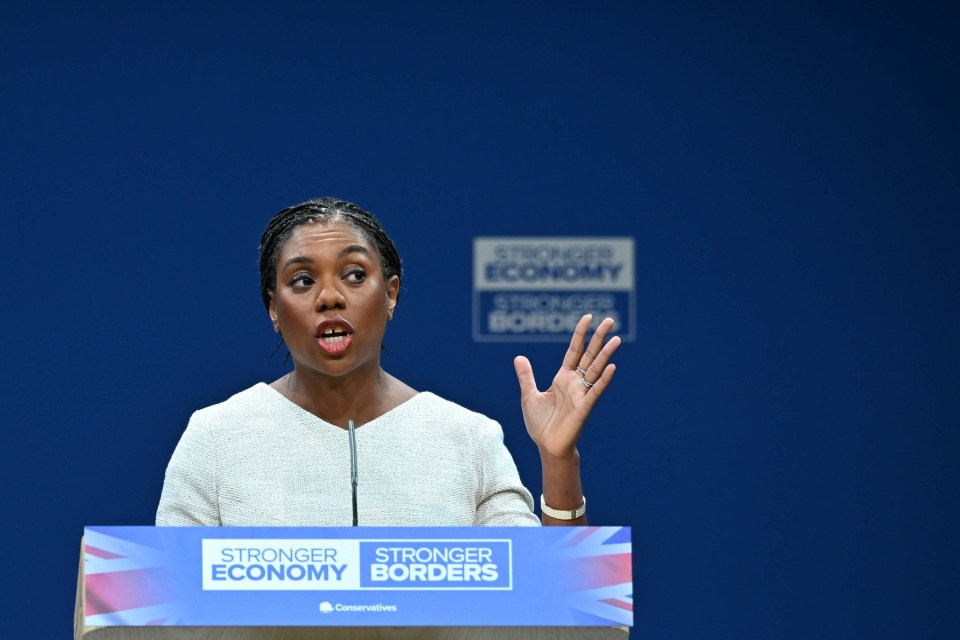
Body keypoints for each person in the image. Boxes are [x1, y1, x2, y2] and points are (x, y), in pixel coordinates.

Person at [156, 197, 620, 527]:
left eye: (355, 274)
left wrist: (559, 462)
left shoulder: (468, 439)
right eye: (302, 280)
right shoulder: (214, 437)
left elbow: (547, 607)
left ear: (391, 294)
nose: (331, 296)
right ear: (273, 309)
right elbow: (168, 610)